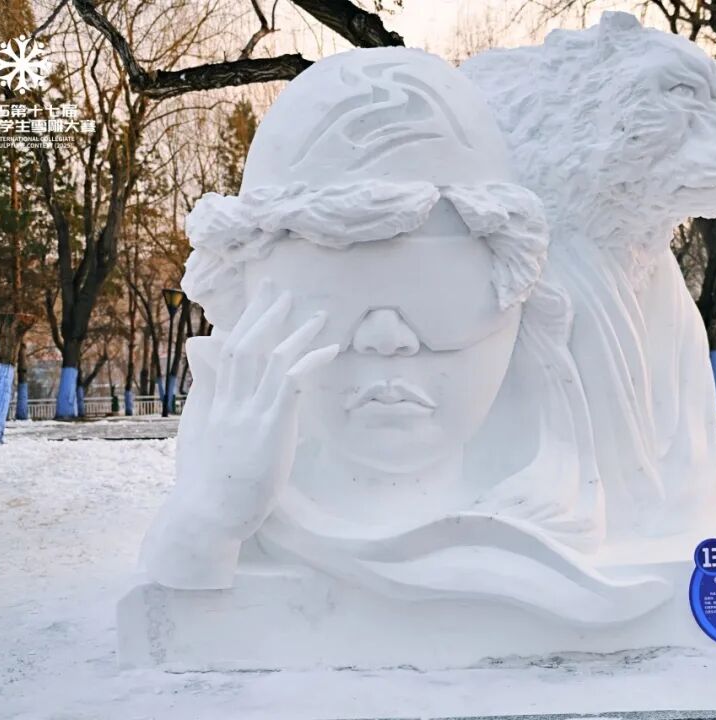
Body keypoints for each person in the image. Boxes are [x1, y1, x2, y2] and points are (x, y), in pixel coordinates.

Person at [140, 47, 670, 625]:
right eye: (328, 297)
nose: (387, 338)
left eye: (439, 295)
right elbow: (176, 602)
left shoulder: (567, 500)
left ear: (521, 304)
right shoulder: (235, 495)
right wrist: (209, 519)